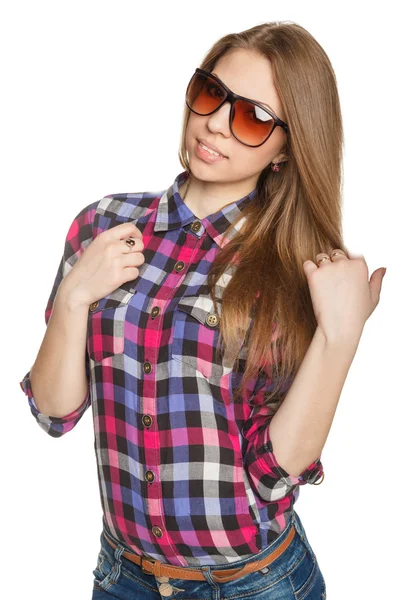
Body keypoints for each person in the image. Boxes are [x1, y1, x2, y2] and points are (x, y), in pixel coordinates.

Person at [19, 20, 385, 600]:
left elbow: (275, 470)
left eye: (253, 117)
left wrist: (339, 340)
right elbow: (54, 412)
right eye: (211, 93)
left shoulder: (298, 272)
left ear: (288, 150)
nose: (216, 122)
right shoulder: (103, 225)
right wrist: (73, 297)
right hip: (125, 579)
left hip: (256, 585)